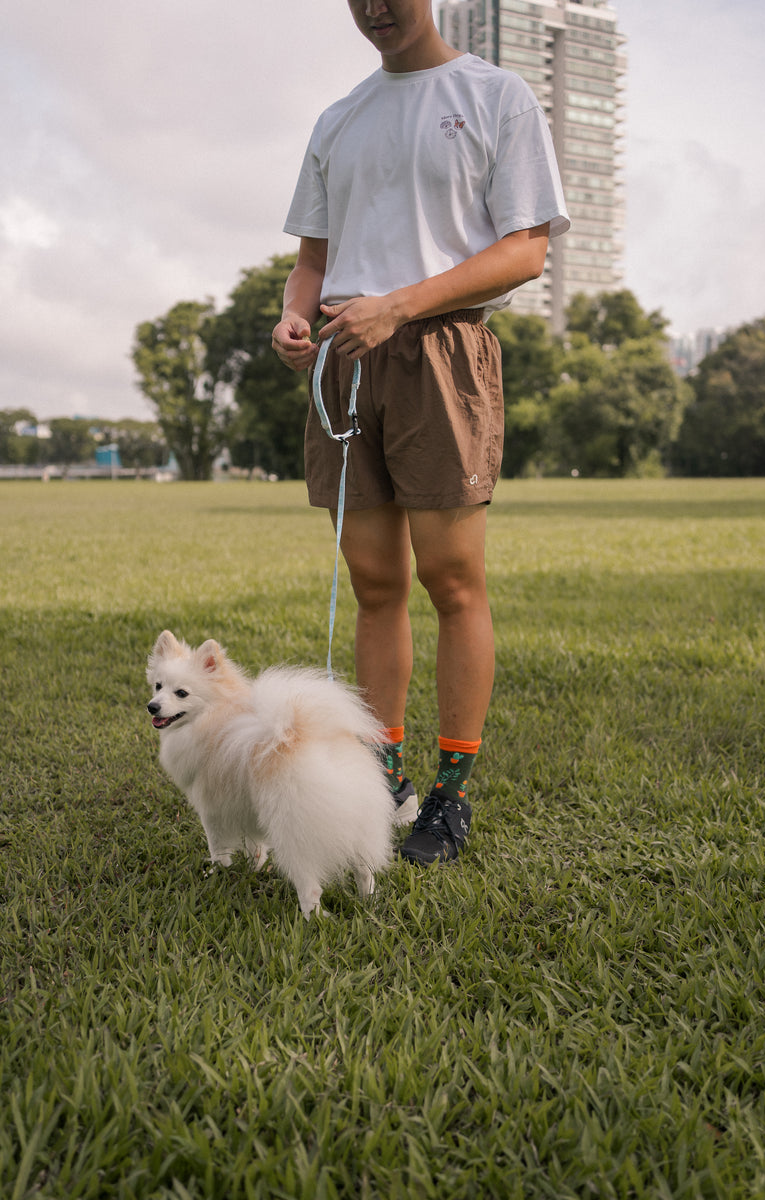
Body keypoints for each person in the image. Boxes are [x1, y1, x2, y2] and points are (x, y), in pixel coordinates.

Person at [271, 0, 569, 865]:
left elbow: (525, 249)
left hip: (442, 352)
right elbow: (312, 261)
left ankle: (451, 793)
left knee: (452, 580)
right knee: (373, 583)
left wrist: (399, 305)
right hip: (345, 358)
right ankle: (383, 771)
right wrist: (293, 320)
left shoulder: (496, 96)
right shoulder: (339, 118)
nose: (373, 9)